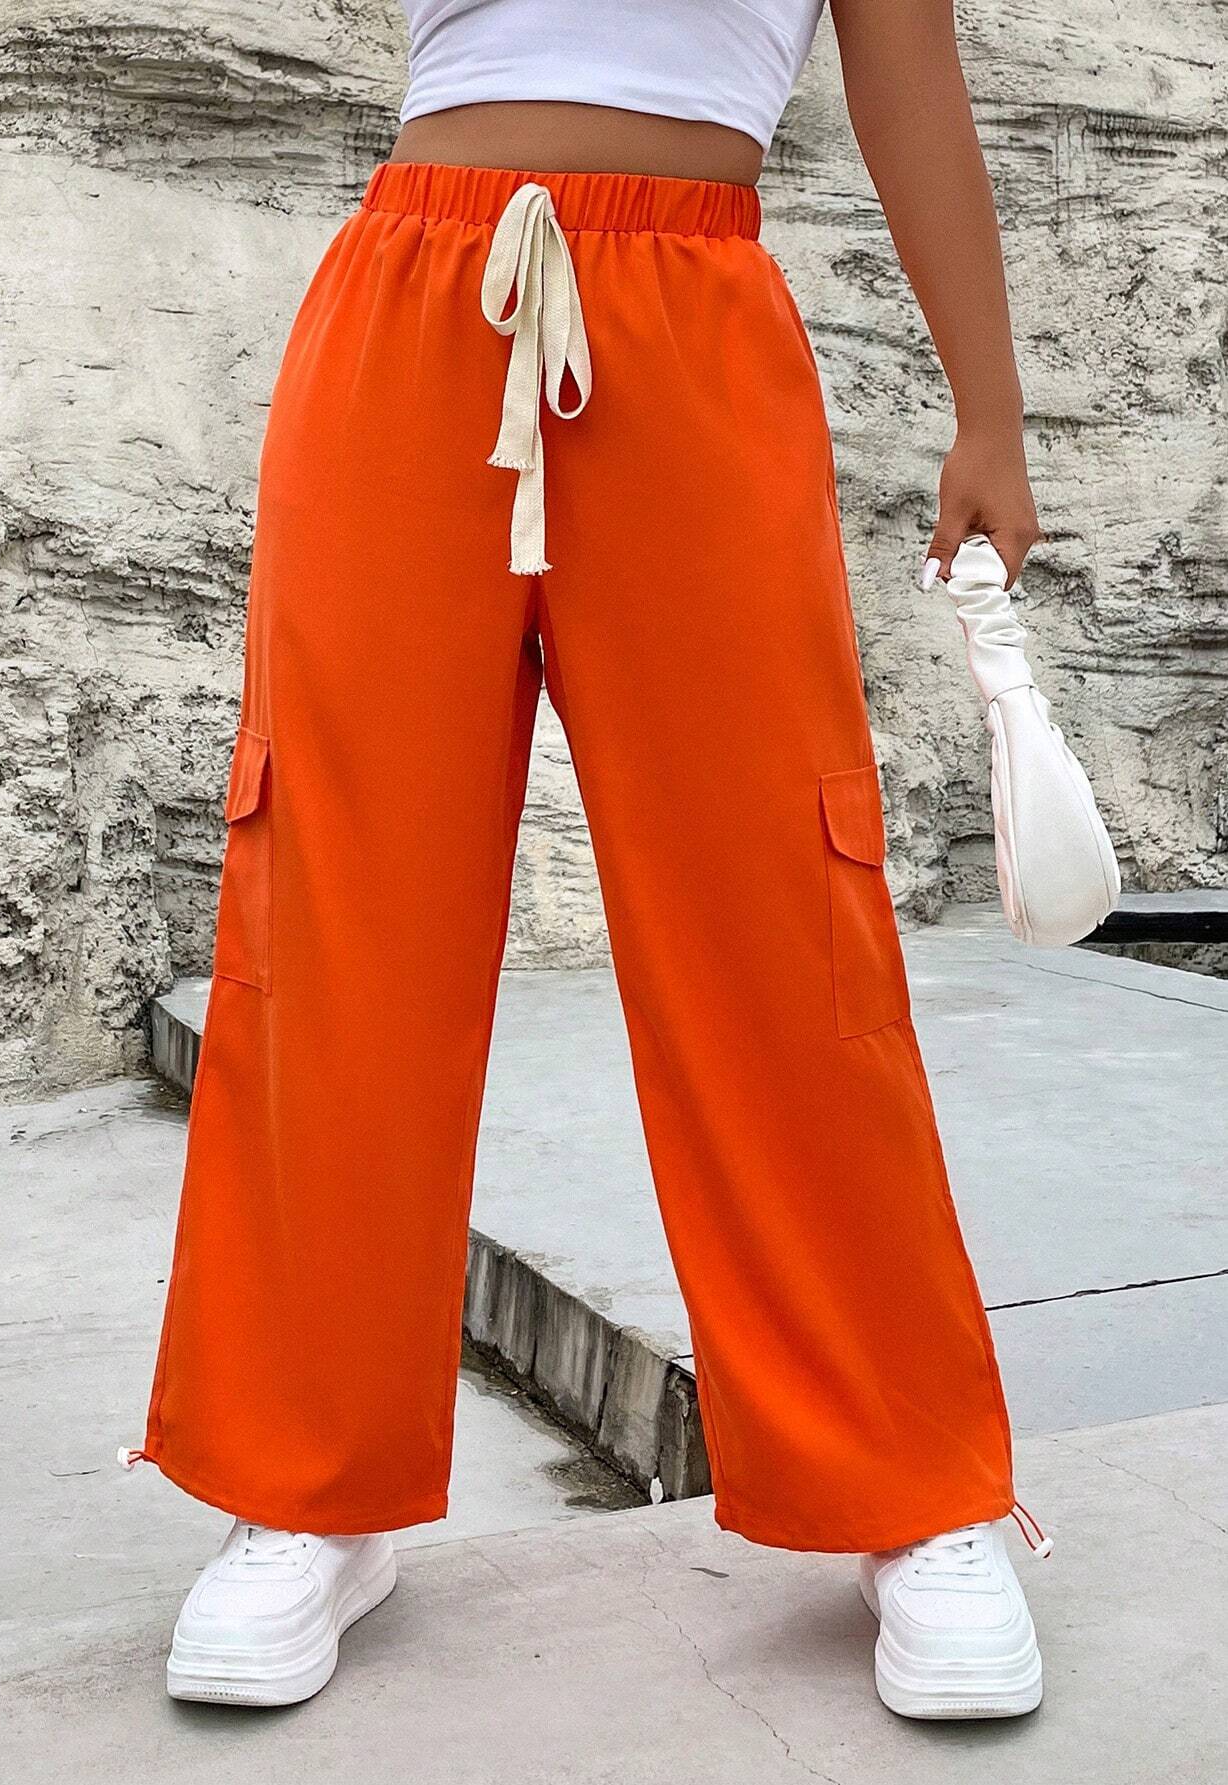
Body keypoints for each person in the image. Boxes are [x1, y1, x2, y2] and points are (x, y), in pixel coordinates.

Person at [125, 0, 1052, 1720]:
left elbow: (904, 56)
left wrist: (987, 409)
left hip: (695, 320)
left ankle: (913, 1483)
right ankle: (305, 1485)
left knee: (781, 912)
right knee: (344, 907)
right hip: (415, 295)